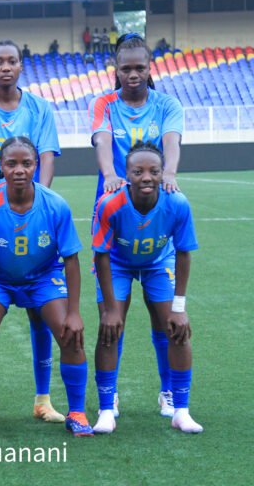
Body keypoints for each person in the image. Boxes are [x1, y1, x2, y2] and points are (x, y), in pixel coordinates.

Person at [0, 136, 93, 439]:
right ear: (0, 168)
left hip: (43, 277)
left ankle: (77, 412)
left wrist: (74, 311)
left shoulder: (55, 205)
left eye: (26, 163)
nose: (19, 169)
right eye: (11, 163)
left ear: (36, 166)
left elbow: (71, 259)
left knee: (71, 337)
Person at [0, 39, 63, 424]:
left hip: (36, 221)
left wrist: (37, 202)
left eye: (12, 61)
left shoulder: (40, 109)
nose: (6, 67)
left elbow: (47, 160)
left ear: (21, 66)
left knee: (42, 315)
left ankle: (43, 399)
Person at [89, 33, 183, 418]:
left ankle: (169, 392)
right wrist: (110, 174)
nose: (132, 74)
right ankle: (108, 400)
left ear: (150, 68)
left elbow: (172, 141)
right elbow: (101, 139)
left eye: (139, 67)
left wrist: (171, 173)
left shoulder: (166, 104)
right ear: (116, 69)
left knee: (164, 318)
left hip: (155, 219)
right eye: (125, 68)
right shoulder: (103, 103)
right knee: (112, 316)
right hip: (115, 221)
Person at [91, 143, 202, 434]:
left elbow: (183, 252)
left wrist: (180, 307)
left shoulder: (177, 203)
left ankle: (179, 407)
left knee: (175, 328)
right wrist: (111, 310)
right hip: (117, 263)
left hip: (157, 262)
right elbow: (101, 255)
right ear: (126, 174)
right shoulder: (109, 203)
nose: (147, 177)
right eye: (138, 171)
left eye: (154, 171)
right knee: (110, 329)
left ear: (163, 172)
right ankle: (106, 407)